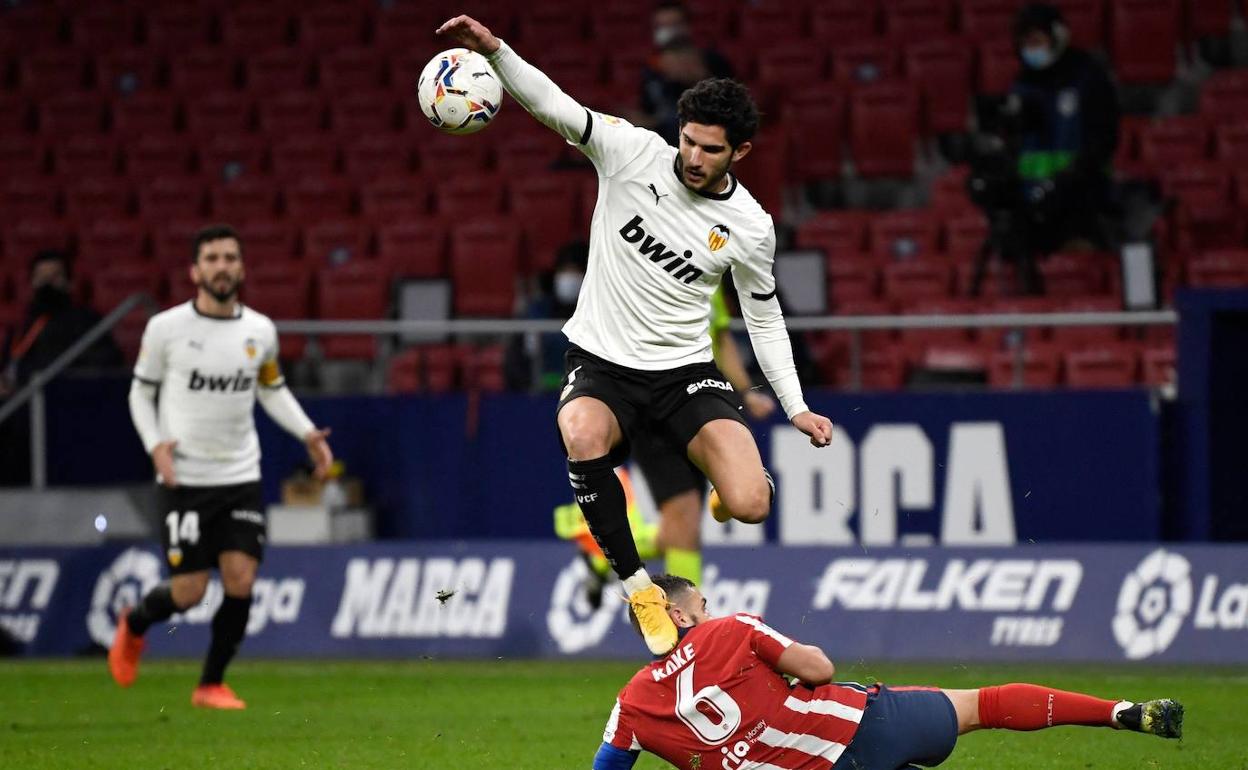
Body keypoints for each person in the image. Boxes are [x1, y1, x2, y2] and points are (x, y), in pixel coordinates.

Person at [437, 15, 834, 656]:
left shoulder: (750, 226)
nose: (695, 158)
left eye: (711, 149)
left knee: (753, 503)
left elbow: (763, 316)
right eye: (689, 141)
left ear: (741, 153)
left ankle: (725, 495)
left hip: (684, 374)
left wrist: (795, 406)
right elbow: (554, 106)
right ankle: (638, 586)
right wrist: (497, 53)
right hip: (602, 363)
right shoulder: (631, 152)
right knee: (581, 432)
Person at [593, 574, 1184, 770]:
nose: (708, 609)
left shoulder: (630, 705)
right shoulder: (731, 629)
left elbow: (609, 766)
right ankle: (1122, 713)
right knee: (983, 706)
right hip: (858, 727)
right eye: (699, 603)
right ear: (674, 612)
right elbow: (818, 668)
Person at [109, 224, 333, 709]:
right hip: (184, 478)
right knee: (188, 592)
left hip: (240, 476)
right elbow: (140, 392)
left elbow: (271, 389)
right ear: (195, 270)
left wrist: (307, 434)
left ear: (242, 267)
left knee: (241, 579)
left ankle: (210, 683)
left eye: (230, 257)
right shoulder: (166, 329)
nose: (222, 266)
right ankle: (135, 623)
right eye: (211, 258)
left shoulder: (260, 332)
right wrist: (155, 446)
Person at [555, 285, 777, 599]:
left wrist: (746, 390)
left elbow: (721, 338)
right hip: (655, 406)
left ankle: (604, 558)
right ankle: (689, 627)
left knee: (683, 525)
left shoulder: (709, 274)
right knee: (684, 516)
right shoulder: (651, 266)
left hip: (699, 403)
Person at [0, 249, 123, 485]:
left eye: (54, 276)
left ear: (68, 282)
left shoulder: (84, 320)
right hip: (16, 404)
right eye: (41, 277)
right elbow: (10, 362)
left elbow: (105, 360)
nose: (47, 283)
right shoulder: (23, 324)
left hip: (57, 409)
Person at [1006, 2, 1119, 256]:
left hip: (1083, 200)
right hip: (1033, 202)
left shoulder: (1087, 77)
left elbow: (1104, 138)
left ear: (1057, 37)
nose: (1031, 49)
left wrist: (1071, 177)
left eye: (1037, 40)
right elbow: (1017, 142)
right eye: (1026, 43)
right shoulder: (1022, 85)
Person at [639, 1, 734, 147]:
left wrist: (697, 77)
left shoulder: (712, 60)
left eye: (673, 25)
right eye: (662, 26)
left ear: (687, 26)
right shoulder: (651, 69)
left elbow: (732, 108)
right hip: (661, 144)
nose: (668, 32)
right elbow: (648, 109)